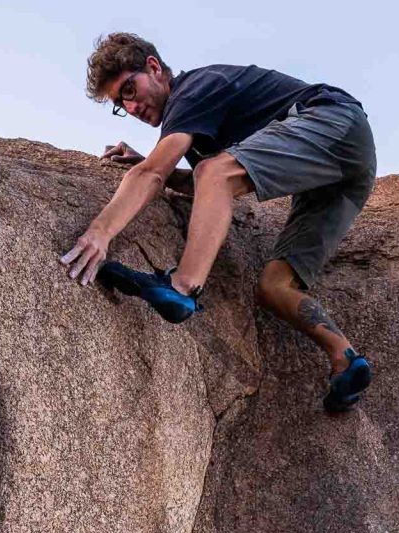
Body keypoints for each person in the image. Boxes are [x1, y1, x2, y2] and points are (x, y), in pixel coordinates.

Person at [60, 32, 378, 412]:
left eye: (130, 88)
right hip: (345, 169)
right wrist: (154, 163)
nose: (130, 106)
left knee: (214, 170)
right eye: (119, 103)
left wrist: (100, 232)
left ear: (154, 67)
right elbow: (206, 187)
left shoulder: (192, 90)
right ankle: (345, 360)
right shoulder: (197, 129)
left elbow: (158, 175)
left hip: (330, 119)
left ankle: (182, 286)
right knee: (275, 286)